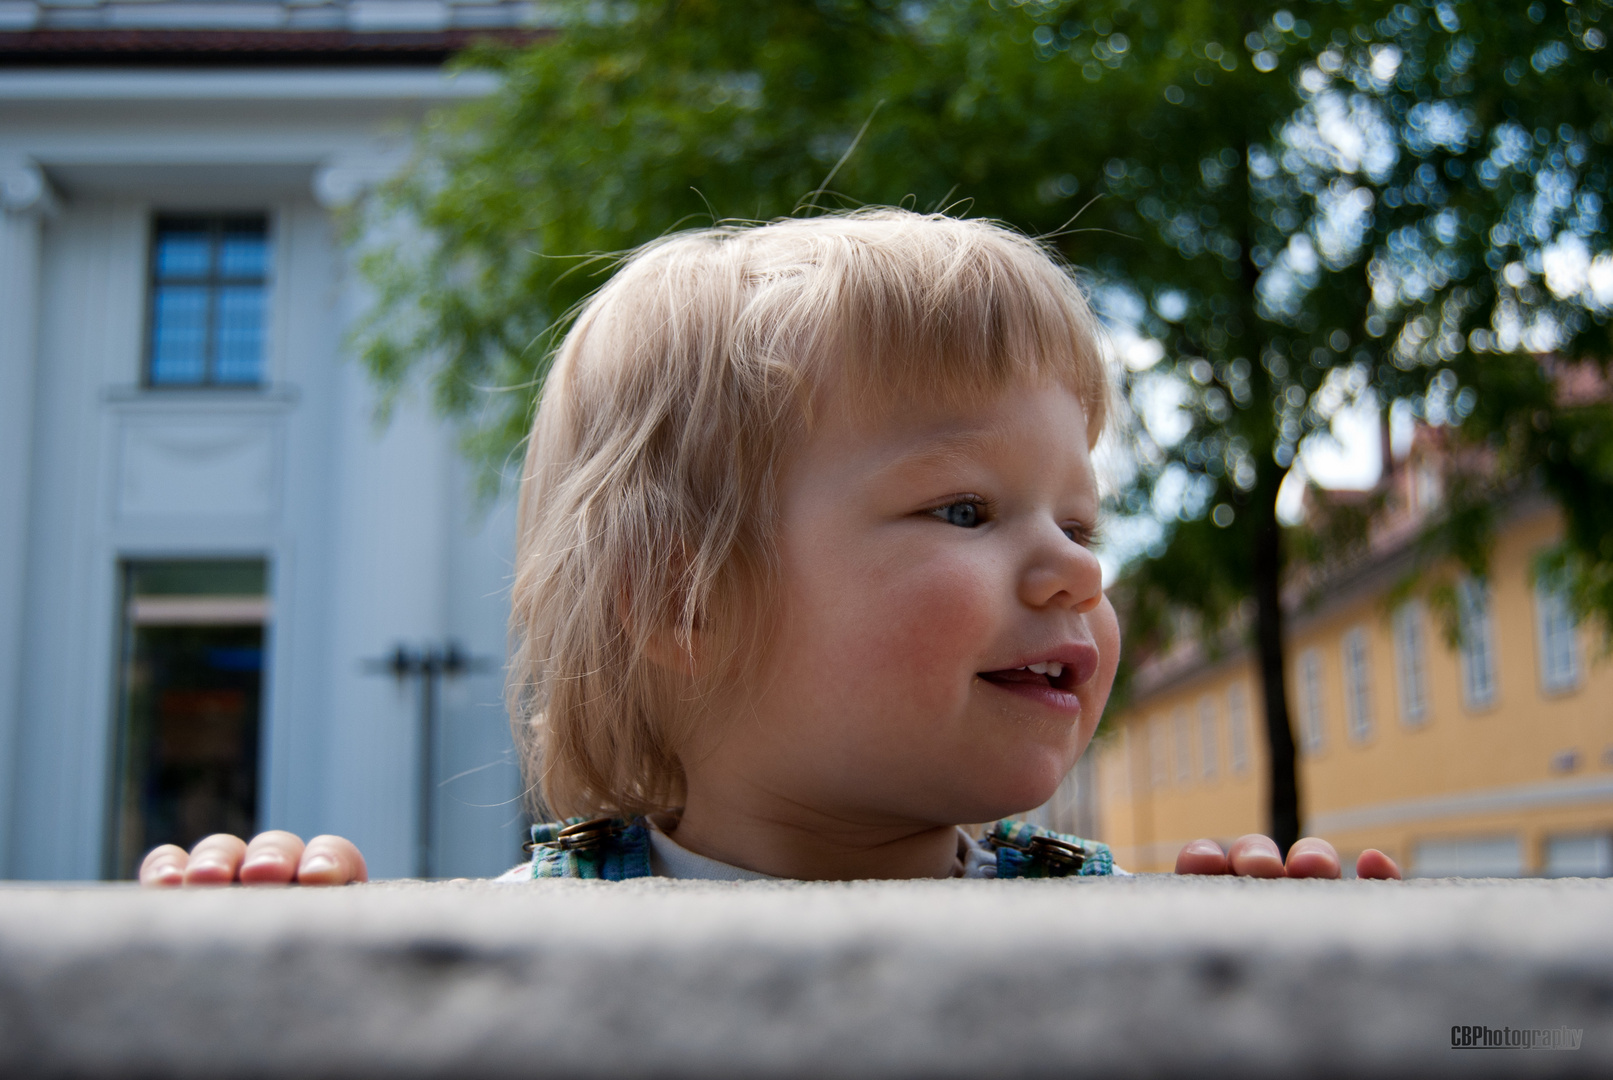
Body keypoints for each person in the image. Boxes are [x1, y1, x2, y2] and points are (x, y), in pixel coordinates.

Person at [140, 210, 1400, 887]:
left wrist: (1272, 962)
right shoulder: (533, 946)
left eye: (1078, 522)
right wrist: (260, 951)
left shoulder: (1123, 932)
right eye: (963, 510)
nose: (1078, 572)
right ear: (679, 598)